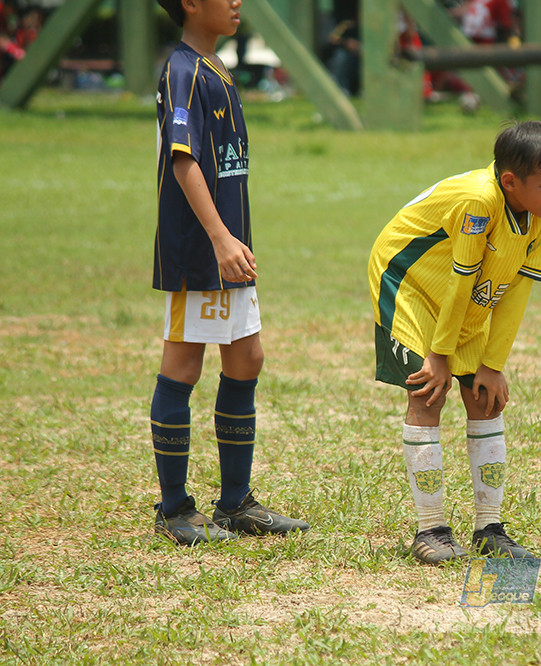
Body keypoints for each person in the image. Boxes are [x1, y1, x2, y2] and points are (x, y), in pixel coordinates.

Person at [368, 121, 541, 565]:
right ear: (510, 182)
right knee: (428, 393)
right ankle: (431, 529)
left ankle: (489, 528)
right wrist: (439, 356)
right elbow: (458, 282)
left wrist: (493, 364)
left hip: (468, 287)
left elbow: (518, 288)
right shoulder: (478, 201)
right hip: (412, 282)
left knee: (485, 399)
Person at [151, 0, 308, 546]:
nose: (237, 1)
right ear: (191, 3)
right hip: (200, 250)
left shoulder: (215, 66)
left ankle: (235, 503)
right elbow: (183, 160)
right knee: (184, 362)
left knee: (247, 357)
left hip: (229, 246)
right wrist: (219, 239)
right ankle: (174, 509)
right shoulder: (183, 70)